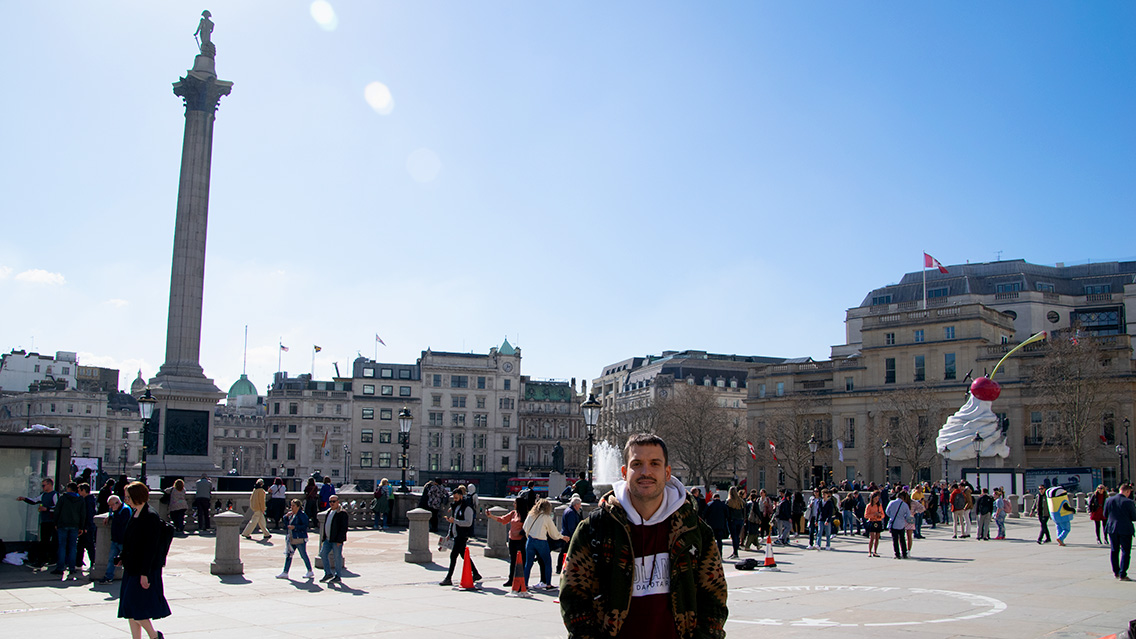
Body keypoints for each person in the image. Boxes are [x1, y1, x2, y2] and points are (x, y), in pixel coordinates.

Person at [560, 434, 728, 638]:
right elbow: (573, 598)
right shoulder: (594, 529)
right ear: (624, 472)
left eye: (654, 464)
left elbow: (714, 598)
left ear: (667, 473)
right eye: (637, 464)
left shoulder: (695, 531)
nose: (645, 472)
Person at [117, 481, 171, 639]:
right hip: (132, 568)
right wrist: (122, 557)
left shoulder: (150, 516)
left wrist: (144, 573)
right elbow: (131, 541)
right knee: (130, 610)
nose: (126, 500)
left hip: (143, 570)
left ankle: (154, 636)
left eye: (128, 497)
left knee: (138, 610)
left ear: (137, 497)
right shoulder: (135, 513)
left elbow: (150, 548)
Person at [439, 486, 483, 586]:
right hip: (456, 534)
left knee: (453, 555)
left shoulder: (467, 508)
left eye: (456, 498)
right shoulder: (456, 507)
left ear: (462, 497)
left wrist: (455, 521)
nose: (455, 500)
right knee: (463, 555)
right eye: (454, 498)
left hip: (462, 535)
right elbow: (452, 523)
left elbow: (468, 522)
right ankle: (476, 573)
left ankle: (448, 578)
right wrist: (449, 534)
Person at [521, 497, 567, 590]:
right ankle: (548, 584)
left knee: (528, 563)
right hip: (541, 541)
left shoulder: (530, 515)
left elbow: (525, 527)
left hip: (530, 540)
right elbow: (553, 532)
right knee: (547, 562)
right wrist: (562, 537)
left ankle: (525, 584)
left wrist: (529, 536)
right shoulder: (546, 517)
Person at [17, 476, 58, 567]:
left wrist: (47, 509)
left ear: (49, 485)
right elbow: (34, 501)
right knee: (44, 541)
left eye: (44, 485)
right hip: (44, 520)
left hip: (51, 521)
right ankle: (43, 559)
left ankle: (49, 559)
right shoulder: (43, 495)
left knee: (49, 541)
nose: (42, 487)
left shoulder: (54, 494)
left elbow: (57, 507)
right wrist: (24, 499)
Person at [487, 497, 528, 587]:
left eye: (515, 503)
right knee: (513, 560)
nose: (513, 505)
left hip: (521, 541)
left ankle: (522, 579)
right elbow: (503, 519)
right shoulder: (513, 513)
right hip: (512, 540)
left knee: (522, 561)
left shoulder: (525, 515)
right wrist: (491, 516)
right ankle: (511, 579)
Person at [1104, 483, 1136, 581]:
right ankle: (1123, 574)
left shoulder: (1108, 500)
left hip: (1112, 528)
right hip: (1125, 529)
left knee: (1114, 550)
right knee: (1125, 551)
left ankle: (1116, 572)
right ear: (1127, 491)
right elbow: (1134, 517)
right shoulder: (1129, 502)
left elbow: (1105, 514)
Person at [277, 499, 314, 580]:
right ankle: (285, 572)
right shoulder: (292, 514)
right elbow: (286, 523)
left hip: (299, 538)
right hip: (292, 538)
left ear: (298, 506)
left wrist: (295, 527)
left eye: (293, 506)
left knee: (303, 554)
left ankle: (310, 570)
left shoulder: (302, 515)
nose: (291, 507)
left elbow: (305, 526)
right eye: (291, 505)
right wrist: (286, 516)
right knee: (289, 554)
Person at [54, 481, 85, 577]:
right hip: (75, 525)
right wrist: (82, 527)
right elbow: (83, 514)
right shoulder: (80, 500)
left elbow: (57, 510)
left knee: (62, 546)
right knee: (72, 547)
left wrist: (56, 523)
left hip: (63, 524)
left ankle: (60, 568)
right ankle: (72, 567)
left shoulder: (63, 498)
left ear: (68, 488)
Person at [100, 494, 132, 585]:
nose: (110, 507)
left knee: (126, 560)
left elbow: (121, 522)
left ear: (117, 503)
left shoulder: (125, 509)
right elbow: (111, 513)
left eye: (112, 505)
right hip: (115, 539)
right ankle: (108, 577)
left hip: (123, 540)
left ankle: (128, 577)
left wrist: (113, 514)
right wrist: (110, 516)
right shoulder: (116, 509)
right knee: (111, 559)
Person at [318, 495, 348, 584]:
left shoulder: (342, 513)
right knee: (323, 554)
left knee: (337, 557)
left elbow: (344, 528)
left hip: (336, 540)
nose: (331, 503)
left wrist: (340, 540)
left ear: (338, 502)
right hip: (328, 539)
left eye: (333, 501)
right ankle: (328, 573)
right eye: (330, 502)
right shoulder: (329, 511)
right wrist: (323, 539)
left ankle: (338, 576)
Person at [558, 495, 582, 574]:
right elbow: (571, 527)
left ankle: (560, 567)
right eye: (580, 504)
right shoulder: (571, 513)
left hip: (565, 534)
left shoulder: (567, 510)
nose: (580, 506)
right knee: (566, 552)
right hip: (568, 536)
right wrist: (575, 537)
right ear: (576, 505)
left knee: (563, 552)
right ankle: (562, 567)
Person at [885, 489, 912, 559]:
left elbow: (887, 512)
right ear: (903, 498)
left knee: (895, 540)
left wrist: (892, 516)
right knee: (902, 539)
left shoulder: (891, 503)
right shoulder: (905, 505)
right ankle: (904, 553)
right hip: (901, 524)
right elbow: (908, 515)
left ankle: (897, 554)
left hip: (893, 523)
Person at [702, 492, 730, 557]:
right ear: (719, 498)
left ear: (713, 498)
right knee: (719, 540)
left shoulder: (709, 504)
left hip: (711, 525)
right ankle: (720, 553)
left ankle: (711, 553)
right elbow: (727, 515)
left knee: (711, 540)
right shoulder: (723, 505)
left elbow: (704, 514)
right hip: (720, 525)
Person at [78, 483, 98, 570]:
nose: (78, 492)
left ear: (83, 491)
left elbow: (89, 514)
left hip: (88, 526)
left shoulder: (87, 501)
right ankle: (79, 563)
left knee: (88, 545)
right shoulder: (90, 499)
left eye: (79, 490)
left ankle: (92, 562)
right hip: (88, 526)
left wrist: (86, 527)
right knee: (83, 545)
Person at [864, 490, 884, 557]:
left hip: (878, 521)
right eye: (875, 499)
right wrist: (873, 514)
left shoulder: (879, 505)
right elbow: (866, 516)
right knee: (872, 537)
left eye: (877, 499)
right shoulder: (869, 506)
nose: (876, 500)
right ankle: (869, 551)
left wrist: (879, 515)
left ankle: (875, 551)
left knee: (877, 537)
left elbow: (883, 514)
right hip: (872, 521)